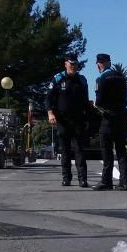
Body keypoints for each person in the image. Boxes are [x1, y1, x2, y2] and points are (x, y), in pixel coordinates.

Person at [45, 54, 90, 187]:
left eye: (75, 64)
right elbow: (48, 98)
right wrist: (50, 113)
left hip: (78, 120)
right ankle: (66, 178)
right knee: (64, 151)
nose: (73, 66)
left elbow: (85, 101)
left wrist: (88, 117)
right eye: (71, 64)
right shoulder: (58, 79)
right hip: (62, 120)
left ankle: (82, 179)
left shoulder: (82, 80)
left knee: (79, 151)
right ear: (65, 64)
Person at [91, 53, 127, 191]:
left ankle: (106, 181)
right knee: (121, 151)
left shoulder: (101, 78)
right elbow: (126, 98)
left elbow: (99, 100)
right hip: (121, 116)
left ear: (99, 64)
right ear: (109, 62)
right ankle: (125, 182)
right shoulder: (120, 77)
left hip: (108, 118)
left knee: (106, 151)